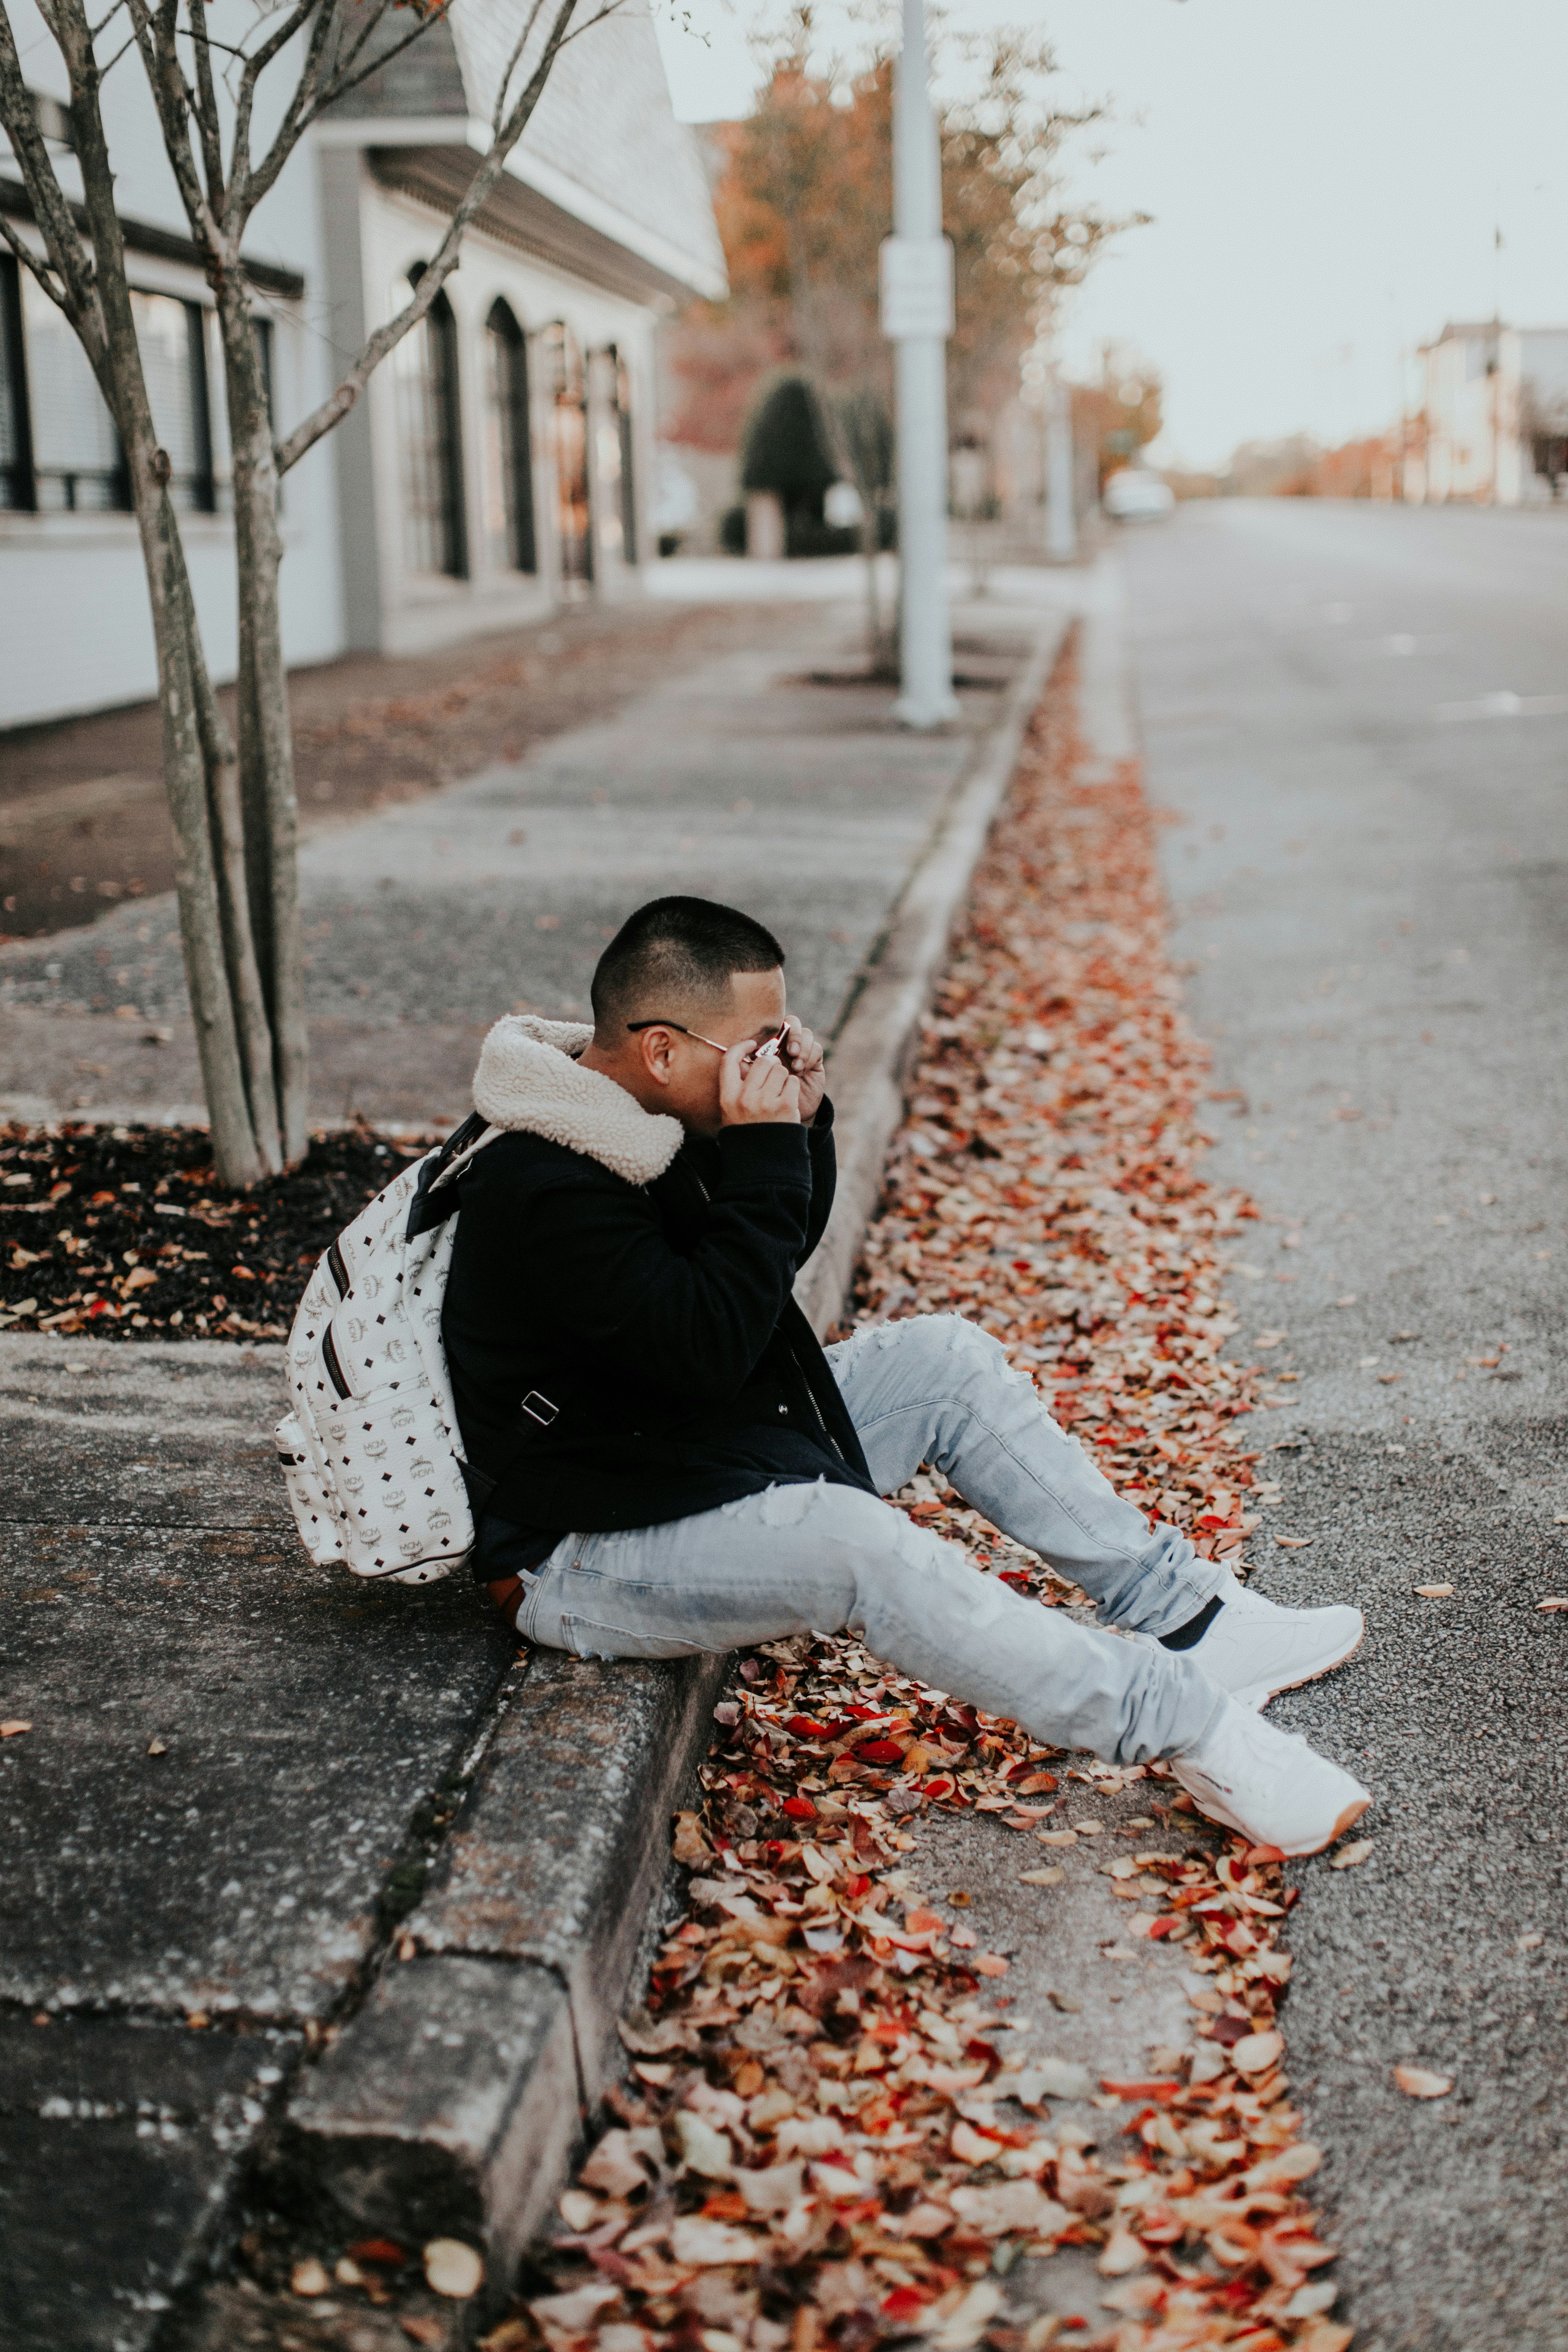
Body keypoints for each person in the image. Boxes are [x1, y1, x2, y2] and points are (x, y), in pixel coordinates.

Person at [442, 896, 1370, 1856]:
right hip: (582, 1550)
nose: (773, 1062)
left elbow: (758, 1265)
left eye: (784, 1037)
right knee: (857, 1546)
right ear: (663, 1051)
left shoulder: (635, 1117)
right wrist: (761, 1149)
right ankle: (1192, 1729)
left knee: (943, 1362)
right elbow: (711, 1343)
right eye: (755, 1048)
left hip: (672, 1452)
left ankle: (1195, 1619)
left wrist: (794, 1129)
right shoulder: (546, 1185)